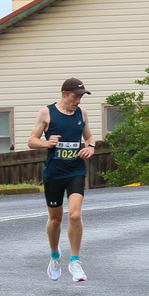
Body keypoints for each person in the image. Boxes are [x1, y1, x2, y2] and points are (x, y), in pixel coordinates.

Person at [28, 77, 96, 282]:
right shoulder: (47, 113)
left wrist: (90, 147)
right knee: (56, 220)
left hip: (75, 170)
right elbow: (31, 141)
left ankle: (75, 261)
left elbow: (89, 137)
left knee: (75, 215)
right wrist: (47, 143)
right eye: (76, 96)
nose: (79, 101)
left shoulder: (81, 114)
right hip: (54, 174)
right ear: (64, 94)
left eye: (81, 97)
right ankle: (55, 256)